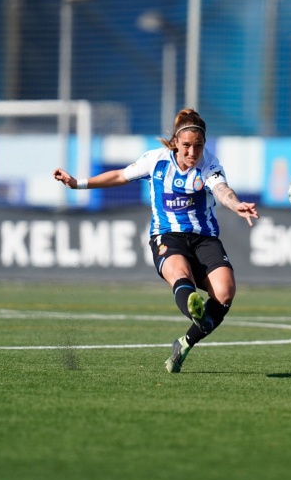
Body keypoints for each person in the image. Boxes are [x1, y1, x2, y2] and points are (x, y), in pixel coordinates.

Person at [53, 108, 259, 373]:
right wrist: (77, 183)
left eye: (198, 146)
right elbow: (119, 176)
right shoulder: (155, 161)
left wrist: (236, 204)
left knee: (225, 292)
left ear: (204, 145)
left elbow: (222, 190)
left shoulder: (210, 164)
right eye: (186, 146)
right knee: (180, 273)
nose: (192, 152)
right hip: (167, 236)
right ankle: (195, 310)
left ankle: (184, 343)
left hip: (204, 239)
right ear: (175, 142)